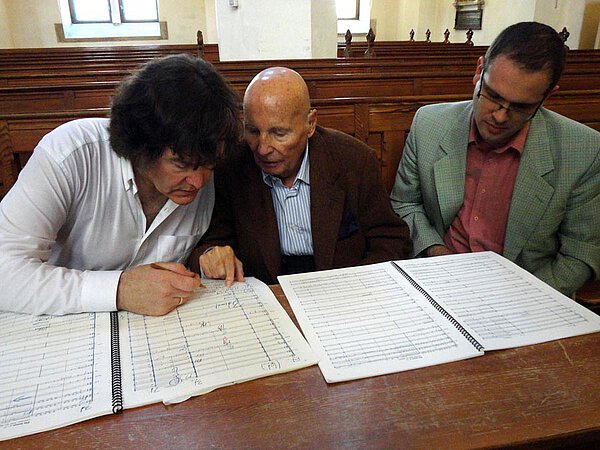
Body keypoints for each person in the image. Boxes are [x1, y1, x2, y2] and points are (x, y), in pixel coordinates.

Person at [0, 54, 240, 315]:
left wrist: (208, 260)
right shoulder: (70, 154)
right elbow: (5, 273)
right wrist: (120, 290)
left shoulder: (204, 168)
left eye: (208, 165)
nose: (198, 182)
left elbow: (198, 254)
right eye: (181, 164)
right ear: (141, 146)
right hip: (56, 329)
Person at [390, 21, 600, 296]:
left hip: (529, 294)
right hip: (438, 281)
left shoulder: (583, 150)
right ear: (479, 72)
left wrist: (518, 299)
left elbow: (581, 254)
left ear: (547, 97)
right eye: (493, 96)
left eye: (521, 107)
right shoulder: (430, 124)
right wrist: (437, 254)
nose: (500, 116)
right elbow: (405, 203)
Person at [190, 67, 411, 285]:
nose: (263, 148)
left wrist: (356, 285)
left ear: (310, 124)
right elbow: (210, 242)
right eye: (253, 131)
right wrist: (211, 255)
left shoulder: (354, 161)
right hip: (268, 291)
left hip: (341, 289)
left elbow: (391, 239)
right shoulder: (232, 165)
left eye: (279, 133)